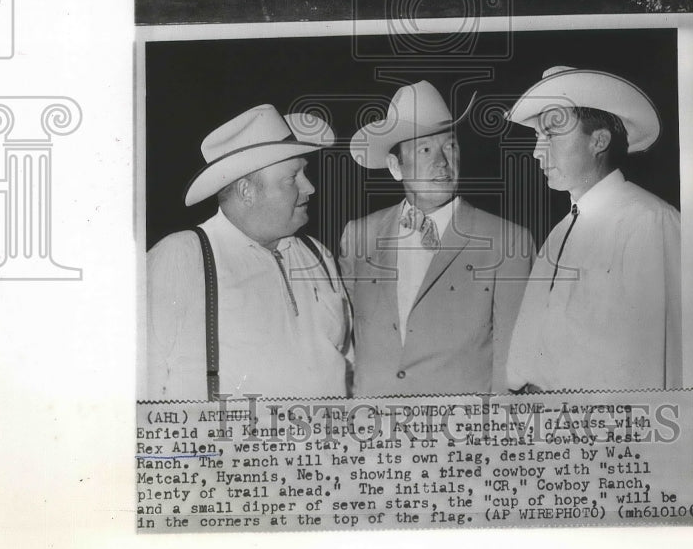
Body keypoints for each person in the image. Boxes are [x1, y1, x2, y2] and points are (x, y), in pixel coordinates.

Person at [339, 81, 533, 396]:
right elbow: (341, 340)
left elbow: (511, 366)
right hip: (373, 431)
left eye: (450, 146)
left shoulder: (507, 241)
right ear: (395, 167)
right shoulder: (359, 235)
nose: (442, 161)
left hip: (460, 436)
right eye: (426, 149)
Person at [146, 104, 351, 400]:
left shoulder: (317, 255)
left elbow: (346, 363)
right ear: (246, 191)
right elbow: (142, 385)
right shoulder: (182, 257)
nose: (310, 188)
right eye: (293, 178)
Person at [505, 66, 682, 392]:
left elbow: (659, 361)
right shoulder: (560, 232)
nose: (535, 151)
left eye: (552, 135)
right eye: (537, 136)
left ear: (598, 141)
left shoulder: (648, 222)